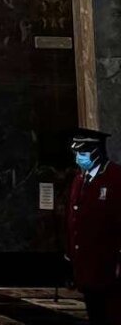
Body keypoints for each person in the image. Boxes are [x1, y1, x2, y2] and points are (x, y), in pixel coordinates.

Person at [66, 127, 121, 324]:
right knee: (95, 313)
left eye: (83, 153)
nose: (79, 158)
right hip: (86, 267)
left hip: (109, 266)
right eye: (77, 154)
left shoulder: (115, 178)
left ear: (96, 153)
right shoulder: (80, 179)